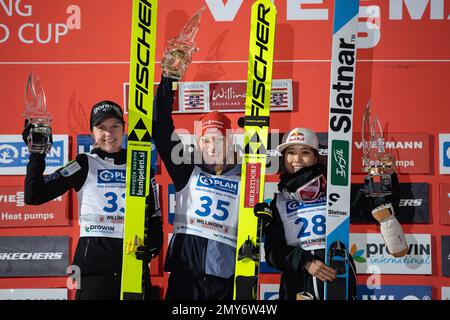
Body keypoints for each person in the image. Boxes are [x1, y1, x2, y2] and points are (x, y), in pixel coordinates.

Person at [23, 100, 163, 300]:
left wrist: (153, 245)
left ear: (124, 129)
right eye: (101, 128)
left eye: (115, 126)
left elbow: (155, 215)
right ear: (91, 133)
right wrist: (37, 154)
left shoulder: (140, 167)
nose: (109, 134)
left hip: (132, 262)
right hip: (92, 266)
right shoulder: (83, 164)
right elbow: (34, 195)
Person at [152, 76, 240, 299]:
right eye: (206, 140)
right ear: (199, 143)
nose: (212, 147)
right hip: (186, 276)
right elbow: (160, 128)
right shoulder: (186, 169)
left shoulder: (245, 178)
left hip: (224, 279)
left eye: (219, 140)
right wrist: (169, 80)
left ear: (229, 142)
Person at [259, 127, 358, 300]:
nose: (296, 159)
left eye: (304, 152)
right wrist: (305, 262)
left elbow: (374, 207)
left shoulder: (336, 189)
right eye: (290, 152)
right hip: (297, 281)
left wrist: (386, 178)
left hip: (335, 277)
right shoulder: (279, 202)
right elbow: (273, 253)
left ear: (315, 157)